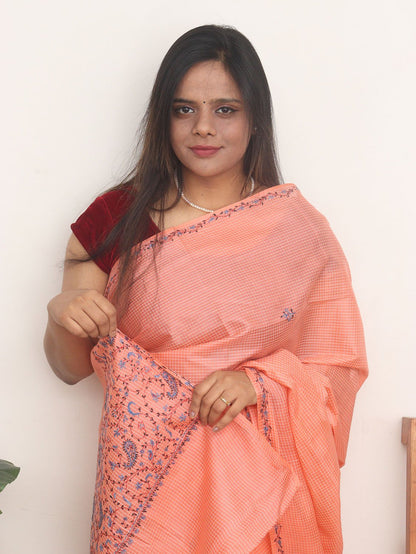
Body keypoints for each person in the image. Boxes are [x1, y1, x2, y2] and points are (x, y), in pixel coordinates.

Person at [44, 24, 368, 554]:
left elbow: (338, 368)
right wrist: (61, 313)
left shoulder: (297, 231)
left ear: (255, 119)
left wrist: (260, 385)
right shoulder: (114, 218)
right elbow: (70, 368)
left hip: (257, 490)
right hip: (147, 487)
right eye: (184, 109)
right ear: (163, 116)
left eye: (225, 109)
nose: (203, 128)